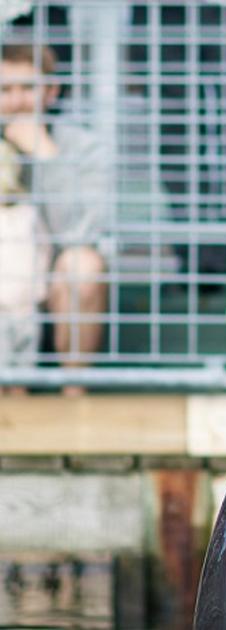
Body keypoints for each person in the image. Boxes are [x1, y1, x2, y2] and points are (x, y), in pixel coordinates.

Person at [0, 43, 109, 396]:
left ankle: (73, 394)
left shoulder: (81, 146)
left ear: (50, 91)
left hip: (55, 280)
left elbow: (80, 232)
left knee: (84, 265)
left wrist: (44, 154)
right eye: (5, 90)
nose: (16, 102)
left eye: (28, 88)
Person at [0, 138, 50, 396]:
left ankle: (20, 407)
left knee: (24, 365)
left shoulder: (27, 213)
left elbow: (43, 249)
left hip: (26, 303)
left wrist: (40, 288)